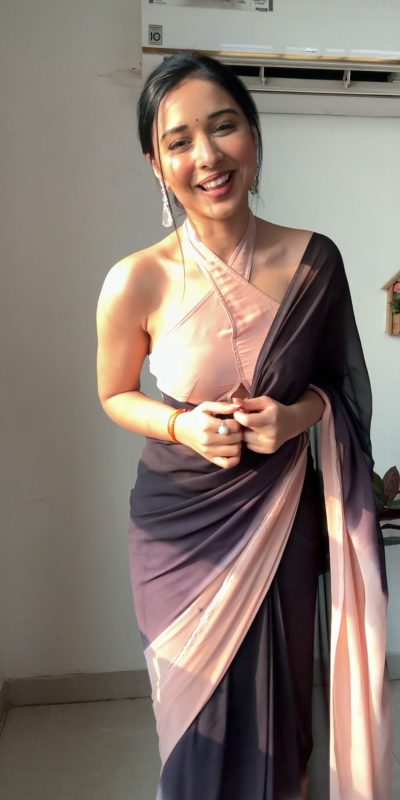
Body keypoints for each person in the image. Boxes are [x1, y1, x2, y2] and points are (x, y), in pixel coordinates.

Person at [96, 54, 392, 800]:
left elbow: (341, 389)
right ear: (156, 164)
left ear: (253, 136)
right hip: (177, 535)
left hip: (283, 522)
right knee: (194, 728)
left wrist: (294, 417)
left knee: (282, 721)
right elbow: (114, 394)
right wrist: (182, 427)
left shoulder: (314, 261)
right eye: (179, 141)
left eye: (223, 127)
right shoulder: (136, 279)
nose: (207, 156)